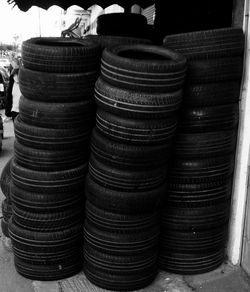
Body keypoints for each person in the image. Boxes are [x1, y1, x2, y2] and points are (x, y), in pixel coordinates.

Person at [5, 57, 21, 122]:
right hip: (14, 111)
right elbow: (9, 98)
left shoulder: (25, 86)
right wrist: (8, 113)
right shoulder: (12, 85)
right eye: (14, 76)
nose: (16, 77)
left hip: (23, 112)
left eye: (17, 75)